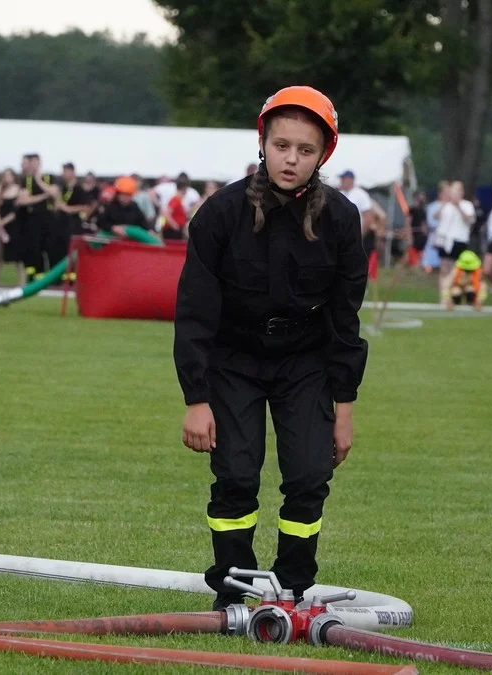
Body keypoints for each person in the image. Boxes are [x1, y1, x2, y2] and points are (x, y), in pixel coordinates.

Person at [174, 85, 367, 610]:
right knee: (236, 475)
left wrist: (343, 412)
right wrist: (196, 398)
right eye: (282, 145)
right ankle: (232, 591)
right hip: (232, 360)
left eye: (306, 151)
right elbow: (194, 313)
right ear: (263, 141)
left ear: (323, 154)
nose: (291, 159)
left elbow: (344, 322)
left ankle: (294, 591)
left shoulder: (342, 219)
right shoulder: (220, 213)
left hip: (304, 363)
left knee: (308, 474)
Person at [434, 181, 475, 306]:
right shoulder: (445, 205)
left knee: (457, 271)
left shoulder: (467, 205)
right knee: (444, 269)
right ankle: (444, 297)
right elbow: (435, 216)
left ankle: (454, 295)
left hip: (459, 240)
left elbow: (468, 219)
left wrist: (458, 206)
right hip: (445, 240)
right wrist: (444, 204)